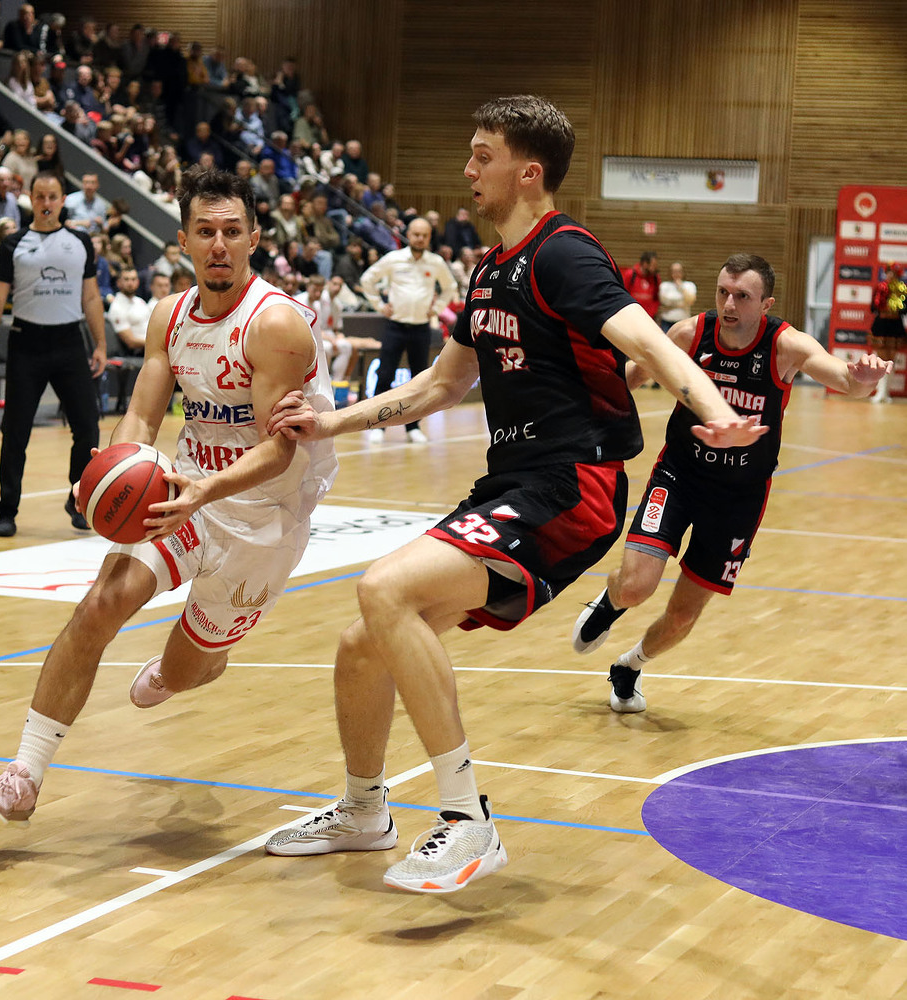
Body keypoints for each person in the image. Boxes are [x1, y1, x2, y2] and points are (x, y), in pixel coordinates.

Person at [262, 95, 764, 894]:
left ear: (528, 173)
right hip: (513, 481)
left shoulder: (563, 253)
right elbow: (438, 386)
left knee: (383, 589)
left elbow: (644, 337)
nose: (468, 168)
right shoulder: (491, 269)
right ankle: (363, 811)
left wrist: (713, 410)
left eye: (482, 155)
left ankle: (468, 820)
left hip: (574, 484)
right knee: (364, 641)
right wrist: (327, 422)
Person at [0, 166, 337, 826]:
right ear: (182, 241)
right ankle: (24, 774)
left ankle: (191, 664)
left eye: (232, 231)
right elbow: (141, 414)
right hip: (183, 489)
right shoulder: (171, 315)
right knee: (100, 605)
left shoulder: (275, 325)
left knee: (187, 668)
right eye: (204, 231)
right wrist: (110, 469)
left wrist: (205, 490)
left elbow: (280, 449)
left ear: (254, 239)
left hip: (266, 513)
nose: (218, 245)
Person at [572, 255, 892, 711]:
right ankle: (611, 600)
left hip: (739, 498)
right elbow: (632, 378)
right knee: (636, 586)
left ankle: (631, 665)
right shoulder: (690, 334)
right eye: (723, 292)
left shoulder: (786, 345)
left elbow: (844, 379)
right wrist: (579, 405)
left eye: (742, 296)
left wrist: (863, 380)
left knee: (682, 616)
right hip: (679, 475)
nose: (729, 304)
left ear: (766, 304)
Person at [0, 172, 106, 538]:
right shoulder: (13, 244)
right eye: (40, 197)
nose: (46, 203)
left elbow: (91, 296)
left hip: (69, 342)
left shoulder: (80, 242)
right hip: (26, 343)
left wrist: (100, 344)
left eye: (52, 196)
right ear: (31, 199)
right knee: (15, 432)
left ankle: (78, 501)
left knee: (88, 427)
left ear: (63, 200)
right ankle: (7, 511)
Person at [357, 217, 456, 443]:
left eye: (424, 235)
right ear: (408, 235)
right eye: (416, 234)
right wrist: (380, 306)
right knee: (385, 375)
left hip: (421, 329)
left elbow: (450, 287)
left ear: (429, 238)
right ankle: (378, 426)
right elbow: (367, 279)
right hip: (395, 327)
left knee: (419, 379)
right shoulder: (394, 258)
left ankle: (413, 427)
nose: (420, 238)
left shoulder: (436, 262)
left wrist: (437, 309)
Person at [869, 262, 906, 403]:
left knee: (892, 360)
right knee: (881, 358)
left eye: (893, 273)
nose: (890, 275)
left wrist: (898, 305)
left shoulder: (902, 288)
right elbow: (873, 307)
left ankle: (886, 391)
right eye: (888, 272)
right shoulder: (880, 287)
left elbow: (905, 308)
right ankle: (879, 392)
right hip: (882, 324)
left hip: (895, 325)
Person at [656, 260, 697, 333]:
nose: (676, 274)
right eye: (674, 271)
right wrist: (683, 303)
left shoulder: (689, 285)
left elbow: (691, 300)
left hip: (684, 322)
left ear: (683, 272)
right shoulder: (664, 285)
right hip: (667, 322)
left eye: (679, 271)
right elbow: (664, 301)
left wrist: (681, 287)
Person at [623, 250, 660, 320]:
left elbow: (656, 298)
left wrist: (653, 312)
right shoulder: (630, 274)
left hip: (649, 318)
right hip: (632, 316)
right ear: (645, 264)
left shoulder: (655, 278)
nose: (655, 268)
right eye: (653, 265)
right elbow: (623, 295)